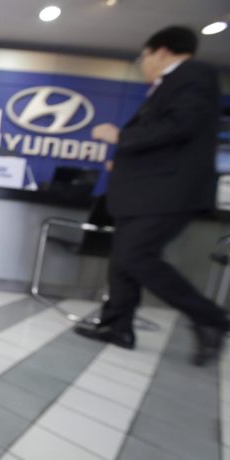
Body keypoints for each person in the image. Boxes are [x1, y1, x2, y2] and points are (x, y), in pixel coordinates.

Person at [74, 26, 228, 366]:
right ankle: (117, 326)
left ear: (160, 51)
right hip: (146, 192)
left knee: (136, 258)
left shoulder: (194, 74)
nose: (142, 64)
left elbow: (180, 125)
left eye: (143, 56)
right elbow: (165, 136)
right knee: (123, 260)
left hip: (167, 191)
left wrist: (119, 137)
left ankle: (211, 317)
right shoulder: (169, 85)